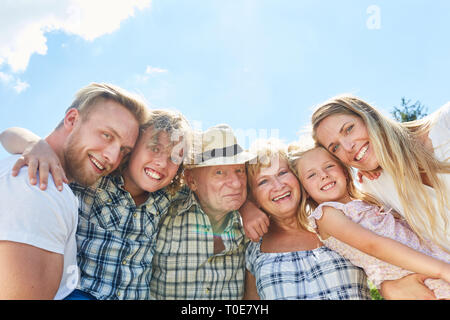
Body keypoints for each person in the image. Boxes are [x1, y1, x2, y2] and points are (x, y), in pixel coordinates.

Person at [0, 109, 191, 300]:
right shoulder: (94, 176)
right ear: (131, 147)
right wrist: (35, 145)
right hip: (83, 292)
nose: (161, 163)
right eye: (155, 148)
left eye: (174, 157)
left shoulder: (167, 196)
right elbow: (8, 134)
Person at [0, 82, 148, 299]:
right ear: (72, 119)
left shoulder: (48, 179)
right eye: (107, 135)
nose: (113, 158)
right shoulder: (39, 187)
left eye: (124, 151)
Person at [289, 143, 450, 299]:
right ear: (305, 191)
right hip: (409, 274)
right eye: (311, 175)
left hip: (431, 260)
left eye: (329, 166)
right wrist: (442, 270)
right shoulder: (326, 214)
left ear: (344, 171)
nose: (323, 175)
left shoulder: (366, 200)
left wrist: (366, 170)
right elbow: (373, 245)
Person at [243, 139, 371, 300]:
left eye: (282, 173)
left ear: (299, 177)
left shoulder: (339, 219)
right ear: (253, 197)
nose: (278, 185)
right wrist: (244, 207)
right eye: (263, 181)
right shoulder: (254, 248)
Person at [150, 124, 255, 299]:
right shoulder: (163, 215)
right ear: (191, 180)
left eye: (239, 170)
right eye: (220, 172)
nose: (236, 183)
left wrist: (250, 206)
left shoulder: (251, 229)